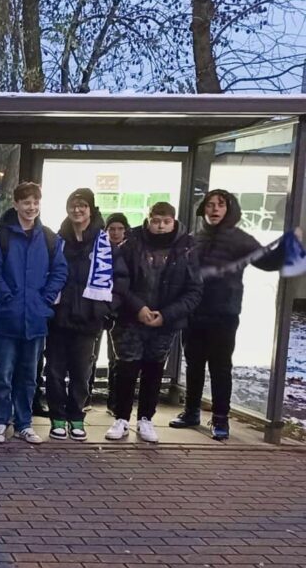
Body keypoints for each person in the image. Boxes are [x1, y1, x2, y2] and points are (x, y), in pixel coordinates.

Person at [171, 190, 290, 440]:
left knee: (220, 368)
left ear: (229, 210)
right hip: (194, 313)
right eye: (210, 205)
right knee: (193, 364)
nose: (214, 209)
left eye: (220, 205)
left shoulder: (240, 239)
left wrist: (288, 244)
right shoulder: (193, 239)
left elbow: (267, 262)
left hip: (224, 314)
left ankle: (220, 419)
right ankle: (191, 411)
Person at [107, 202, 202, 443]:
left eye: (166, 222)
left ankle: (146, 419)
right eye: (156, 221)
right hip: (131, 317)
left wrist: (167, 314)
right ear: (148, 220)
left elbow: (194, 289)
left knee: (154, 369)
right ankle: (121, 418)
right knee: (126, 368)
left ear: (174, 221)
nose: (160, 226)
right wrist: (138, 307)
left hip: (165, 321)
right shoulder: (132, 243)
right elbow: (118, 280)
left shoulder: (187, 248)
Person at [0, 182, 68, 445]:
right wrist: (7, 295)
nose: (31, 207)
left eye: (35, 202)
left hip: (36, 318)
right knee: (4, 374)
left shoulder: (50, 238)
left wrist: (44, 299)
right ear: (16, 204)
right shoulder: (2, 238)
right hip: (8, 318)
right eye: (26, 202)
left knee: (29, 376)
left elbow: (60, 271)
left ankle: (24, 423)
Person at [44, 189, 128, 442]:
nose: (77, 210)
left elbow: (120, 281)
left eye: (82, 205)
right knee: (55, 372)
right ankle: (57, 417)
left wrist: (104, 310)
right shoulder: (58, 241)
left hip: (89, 320)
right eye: (73, 205)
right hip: (59, 318)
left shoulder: (104, 243)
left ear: (91, 209)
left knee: (82, 373)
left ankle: (76, 416)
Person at [89, 212, 131, 413]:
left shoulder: (130, 251)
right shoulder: (101, 250)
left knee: (117, 359)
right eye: (111, 229)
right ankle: (85, 397)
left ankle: (114, 402)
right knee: (91, 355)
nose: (115, 233)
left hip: (120, 312)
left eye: (119, 229)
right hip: (99, 309)